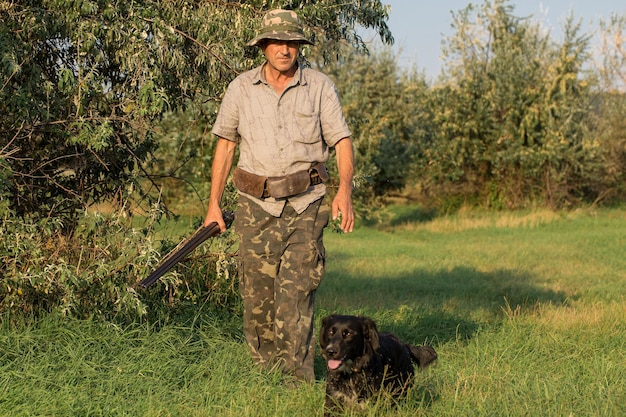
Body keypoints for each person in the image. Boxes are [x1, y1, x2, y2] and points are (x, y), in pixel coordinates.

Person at [203, 8, 354, 383]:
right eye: (277, 42)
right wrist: (213, 206)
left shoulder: (319, 86)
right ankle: (265, 376)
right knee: (257, 299)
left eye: (291, 42)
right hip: (255, 207)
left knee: (296, 296)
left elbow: (342, 142)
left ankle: (296, 379)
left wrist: (344, 192)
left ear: (299, 46)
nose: (284, 49)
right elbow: (225, 147)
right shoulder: (240, 88)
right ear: (263, 46)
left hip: (306, 205)